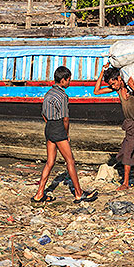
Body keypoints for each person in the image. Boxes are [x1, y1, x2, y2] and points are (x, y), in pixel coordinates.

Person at [32, 66, 96, 204]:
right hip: (58, 128)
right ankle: (79, 194)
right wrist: (66, 134)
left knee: (50, 162)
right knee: (70, 161)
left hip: (49, 127)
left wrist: (51, 125)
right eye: (68, 80)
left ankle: (39, 194)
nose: (69, 82)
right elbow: (65, 118)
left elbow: (43, 114)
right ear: (63, 80)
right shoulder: (62, 96)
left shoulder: (48, 93)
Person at [94, 64, 134, 190]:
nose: (113, 86)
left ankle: (125, 183)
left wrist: (133, 87)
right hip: (130, 125)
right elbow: (96, 91)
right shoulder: (117, 90)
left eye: (114, 83)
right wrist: (102, 72)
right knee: (133, 152)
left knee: (129, 148)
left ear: (120, 79)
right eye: (111, 85)